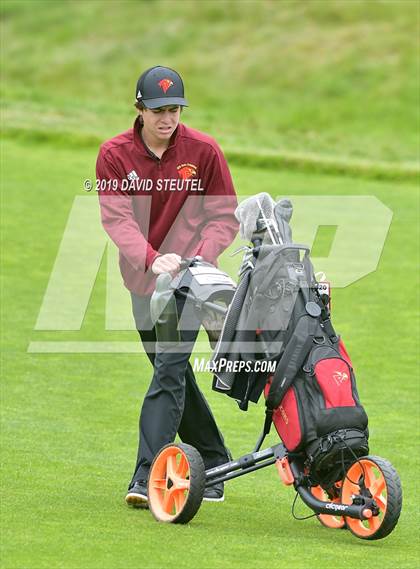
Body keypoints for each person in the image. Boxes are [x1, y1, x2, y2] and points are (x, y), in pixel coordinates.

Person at [96, 65, 239, 508]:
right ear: (138, 108)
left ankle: (146, 475)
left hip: (190, 284)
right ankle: (215, 461)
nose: (167, 118)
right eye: (158, 110)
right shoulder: (113, 155)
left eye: (174, 109)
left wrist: (200, 256)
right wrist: (153, 259)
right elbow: (117, 218)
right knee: (170, 372)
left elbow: (224, 215)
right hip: (142, 279)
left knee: (169, 370)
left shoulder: (204, 150)